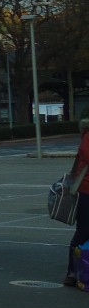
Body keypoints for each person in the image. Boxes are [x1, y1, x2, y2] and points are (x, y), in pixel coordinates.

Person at [64, 117, 89, 286]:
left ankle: (76, 271)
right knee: (83, 232)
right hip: (87, 191)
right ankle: (73, 271)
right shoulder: (88, 138)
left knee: (83, 232)